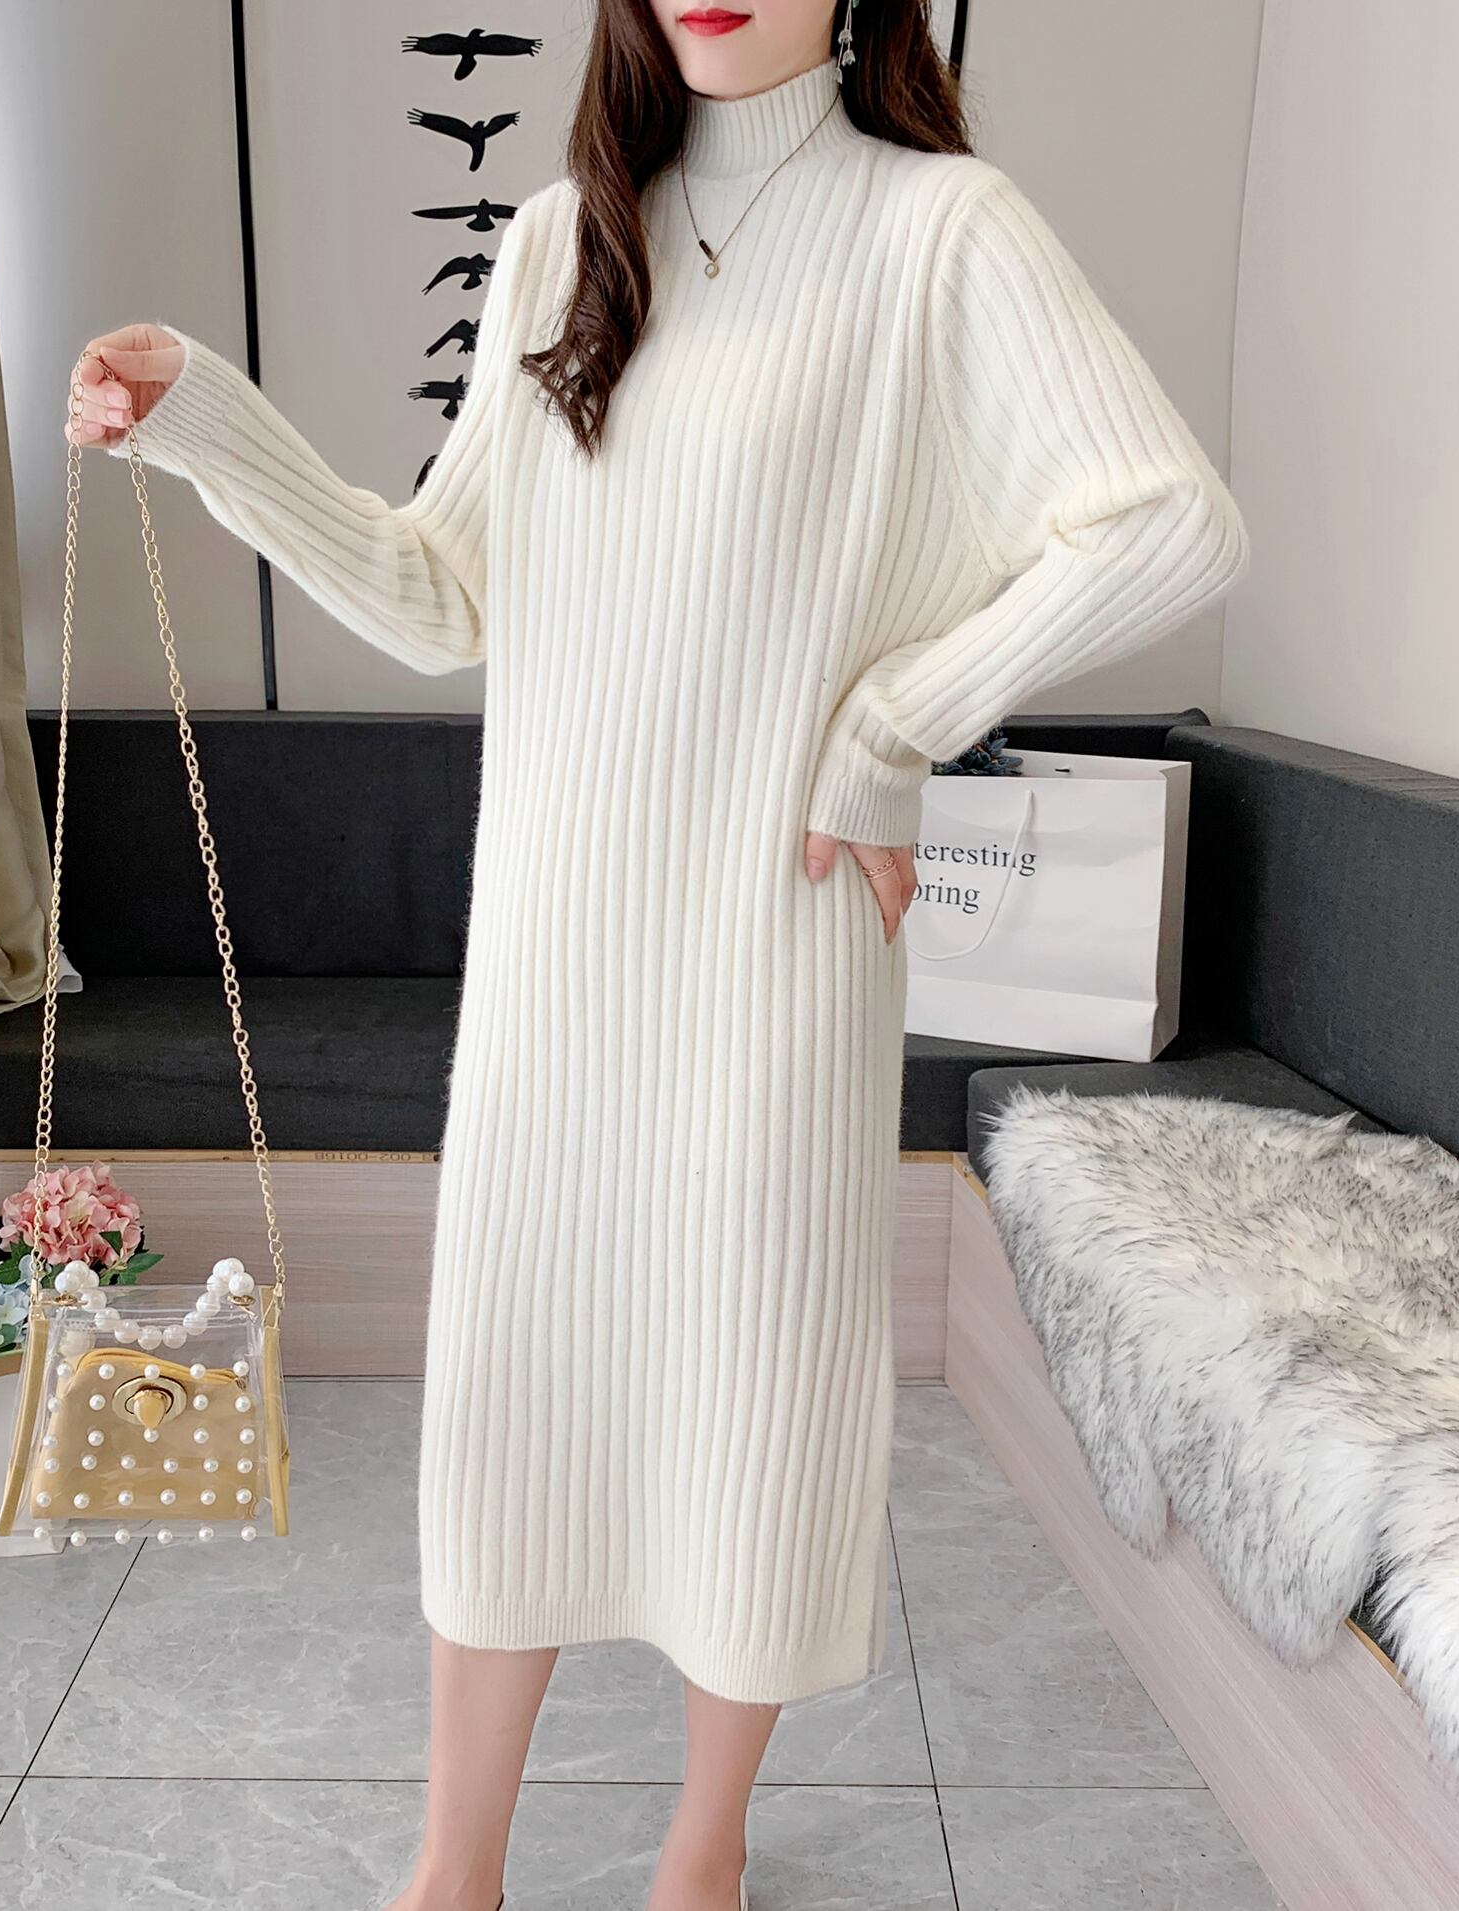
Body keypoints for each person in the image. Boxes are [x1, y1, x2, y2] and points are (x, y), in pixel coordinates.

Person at [68, 2, 1248, 1904]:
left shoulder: (940, 232)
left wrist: (893, 726)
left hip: (772, 940)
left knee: (749, 1385)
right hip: (554, 950)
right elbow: (440, 593)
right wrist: (204, 417)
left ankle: (704, 1854)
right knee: (515, 1389)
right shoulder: (562, 236)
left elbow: (1169, 523)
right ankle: (456, 1864)